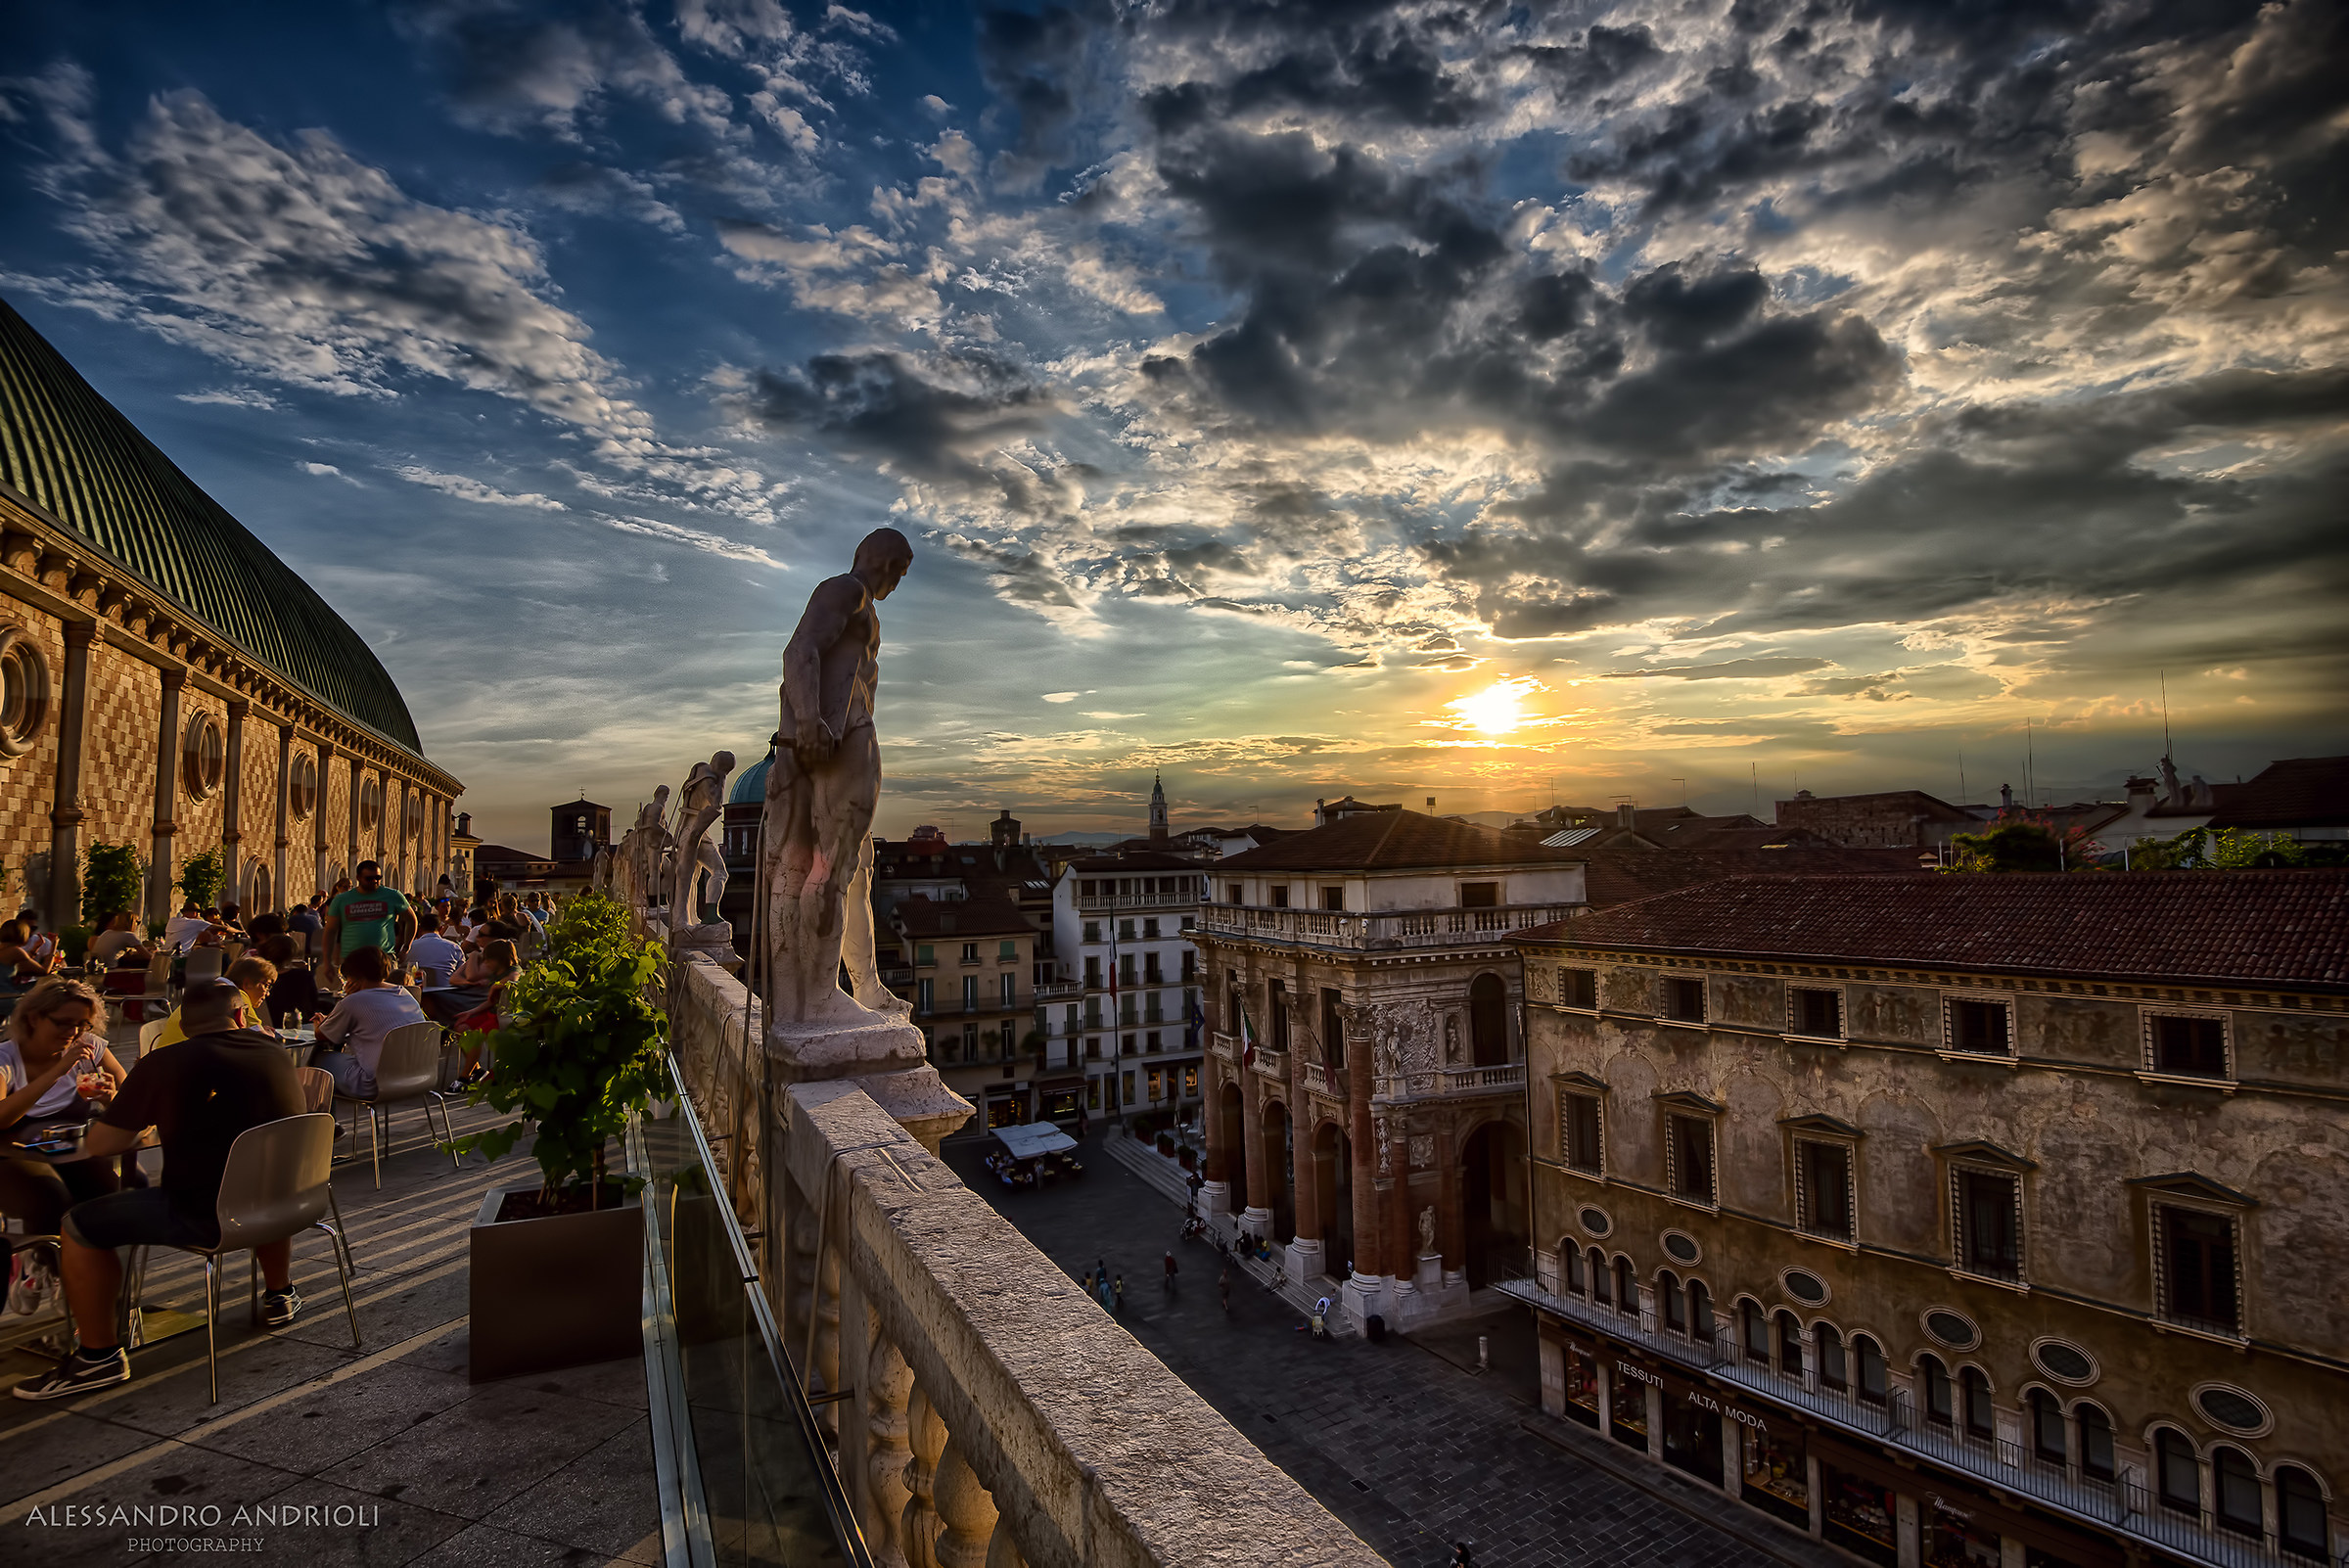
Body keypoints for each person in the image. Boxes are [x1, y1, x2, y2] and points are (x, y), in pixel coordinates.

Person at [12, 979, 306, 1400]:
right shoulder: (275, 1052)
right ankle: (279, 1293)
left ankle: (98, 1358)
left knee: (78, 1224)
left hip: (202, 1215)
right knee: (259, 1179)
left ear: (182, 1025)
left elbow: (103, 1145)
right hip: (288, 1203)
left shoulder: (166, 1062)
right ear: (241, 1016)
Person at [0, 979, 129, 1238]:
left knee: (119, 1189)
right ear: (34, 1018)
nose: (73, 1032)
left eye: (83, 1024)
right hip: (10, 1159)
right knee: (50, 1198)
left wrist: (110, 1099)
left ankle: (93, 1270)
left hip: (69, 1152)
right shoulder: (6, 1058)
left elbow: (133, 1104)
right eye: (63, 1022)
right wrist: (60, 1070)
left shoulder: (89, 1047)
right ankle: (43, 1270)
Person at [309, 945, 426, 1099]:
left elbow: (323, 1035)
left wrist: (321, 1023)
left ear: (354, 976)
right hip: (419, 1077)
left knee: (318, 1061)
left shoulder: (352, 1002)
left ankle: (327, 1121)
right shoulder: (404, 993)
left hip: (373, 1084)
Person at [322, 860, 414, 967]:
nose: (374, 881)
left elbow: (411, 919)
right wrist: (328, 961)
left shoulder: (393, 895)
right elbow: (330, 931)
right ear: (358, 878)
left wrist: (406, 947)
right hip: (352, 959)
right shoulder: (341, 899)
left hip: (383, 958)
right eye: (369, 878)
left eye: (378, 878)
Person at [257, 935, 320, 1023]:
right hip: (302, 1022)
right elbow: (313, 1001)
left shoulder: (261, 980)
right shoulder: (303, 976)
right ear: (292, 954)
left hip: (270, 1024)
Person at [405, 910, 462, 989]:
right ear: (441, 928)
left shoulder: (408, 947)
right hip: (446, 993)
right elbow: (463, 974)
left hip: (417, 994)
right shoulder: (454, 948)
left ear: (420, 928)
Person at [0, 920, 58, 989]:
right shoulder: (15, 951)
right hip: (7, 995)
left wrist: (35, 948)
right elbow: (44, 971)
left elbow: (24, 965)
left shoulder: (4, 948)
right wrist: (53, 949)